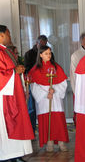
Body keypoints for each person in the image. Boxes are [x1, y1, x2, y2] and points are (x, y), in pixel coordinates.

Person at [0, 25, 34, 162]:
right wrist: (14, 72)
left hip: (13, 93)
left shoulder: (6, 51)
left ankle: (15, 154)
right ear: (1, 35)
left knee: (18, 122)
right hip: (4, 98)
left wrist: (17, 71)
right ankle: (6, 156)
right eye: (8, 34)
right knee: (7, 125)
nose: (10, 37)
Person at [29, 45, 69, 152]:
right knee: (46, 120)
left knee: (58, 119)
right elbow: (33, 85)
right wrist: (46, 93)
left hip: (55, 97)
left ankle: (61, 142)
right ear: (40, 55)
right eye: (46, 53)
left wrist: (54, 89)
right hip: (43, 100)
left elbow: (63, 83)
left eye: (50, 53)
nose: (49, 55)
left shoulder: (56, 67)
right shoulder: (35, 70)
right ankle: (49, 142)